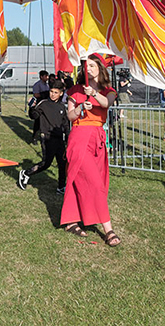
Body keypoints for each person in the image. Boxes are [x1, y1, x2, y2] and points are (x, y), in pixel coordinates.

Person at [60, 54, 120, 247]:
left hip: (98, 140)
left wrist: (93, 94)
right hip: (79, 137)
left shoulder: (109, 91)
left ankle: (71, 221)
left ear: (100, 68)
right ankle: (108, 229)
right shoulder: (74, 90)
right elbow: (70, 116)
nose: (89, 69)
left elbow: (106, 103)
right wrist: (79, 109)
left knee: (84, 180)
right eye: (86, 66)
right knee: (94, 183)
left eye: (93, 66)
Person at [19, 80, 70, 192]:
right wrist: (32, 107)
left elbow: (65, 124)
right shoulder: (43, 103)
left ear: (61, 93)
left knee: (62, 163)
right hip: (47, 137)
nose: (53, 94)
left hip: (59, 139)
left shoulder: (62, 107)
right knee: (46, 163)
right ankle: (26, 173)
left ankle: (61, 186)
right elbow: (34, 116)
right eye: (51, 91)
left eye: (56, 92)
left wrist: (68, 138)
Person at [31, 70, 51, 142]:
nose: (47, 78)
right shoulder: (37, 85)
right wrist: (43, 94)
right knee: (38, 121)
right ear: (41, 77)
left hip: (47, 104)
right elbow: (36, 94)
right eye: (45, 76)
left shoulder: (47, 85)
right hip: (40, 104)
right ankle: (35, 137)